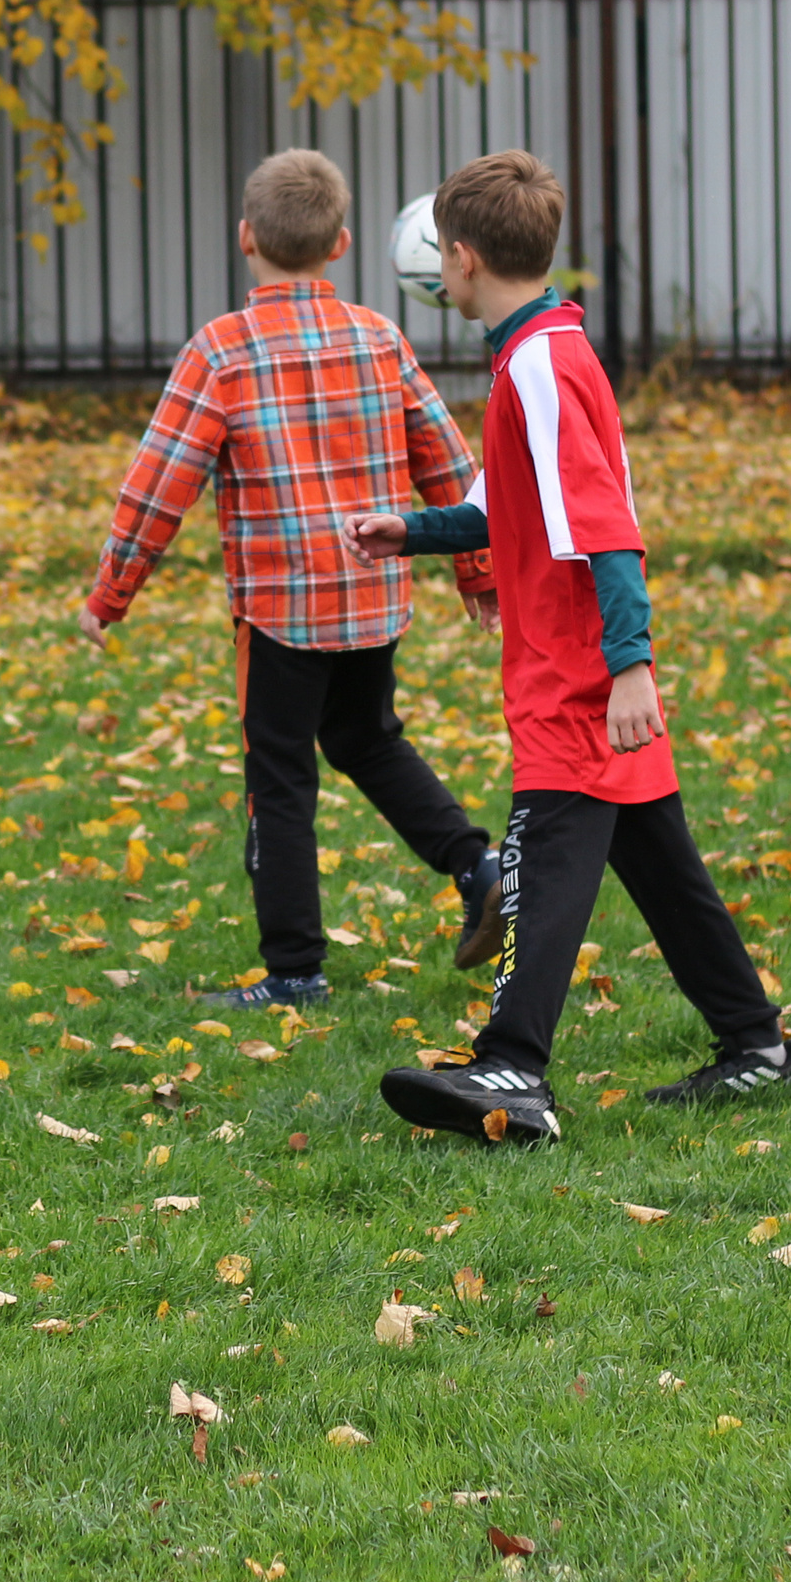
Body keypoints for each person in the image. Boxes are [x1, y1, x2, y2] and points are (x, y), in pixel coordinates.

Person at [342, 149, 791, 1145]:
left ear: (458, 259)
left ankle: (513, 1066)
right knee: (660, 867)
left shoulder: (543, 364)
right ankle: (757, 1049)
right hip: (582, 661)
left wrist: (629, 664)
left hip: (579, 669)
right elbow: (515, 505)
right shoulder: (540, 350)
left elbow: (604, 523)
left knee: (544, 858)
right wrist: (414, 531)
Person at [80, 149, 504, 1006]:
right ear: (343, 243)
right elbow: (449, 460)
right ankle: (478, 865)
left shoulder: (222, 354)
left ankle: (294, 971)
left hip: (279, 613)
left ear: (246, 239)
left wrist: (109, 595)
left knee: (278, 779)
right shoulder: (379, 337)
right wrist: (477, 570)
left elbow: (158, 485)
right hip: (374, 596)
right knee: (364, 739)